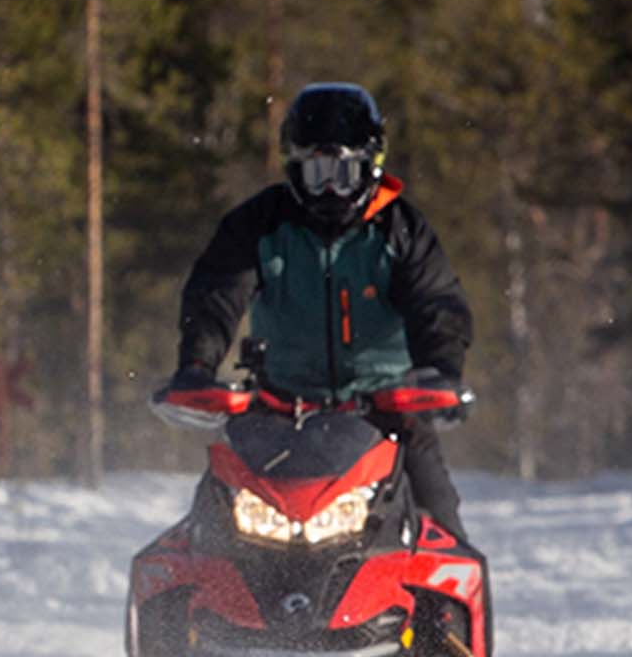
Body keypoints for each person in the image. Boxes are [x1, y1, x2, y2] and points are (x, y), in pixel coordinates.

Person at [169, 81, 478, 551]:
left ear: (371, 165)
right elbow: (216, 296)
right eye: (317, 172)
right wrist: (197, 366)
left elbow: (438, 306)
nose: (331, 187)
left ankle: (450, 624)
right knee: (205, 534)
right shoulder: (259, 223)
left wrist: (439, 375)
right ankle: (183, 621)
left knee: (445, 538)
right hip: (277, 419)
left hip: (387, 418)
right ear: (294, 168)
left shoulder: (401, 229)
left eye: (343, 171)